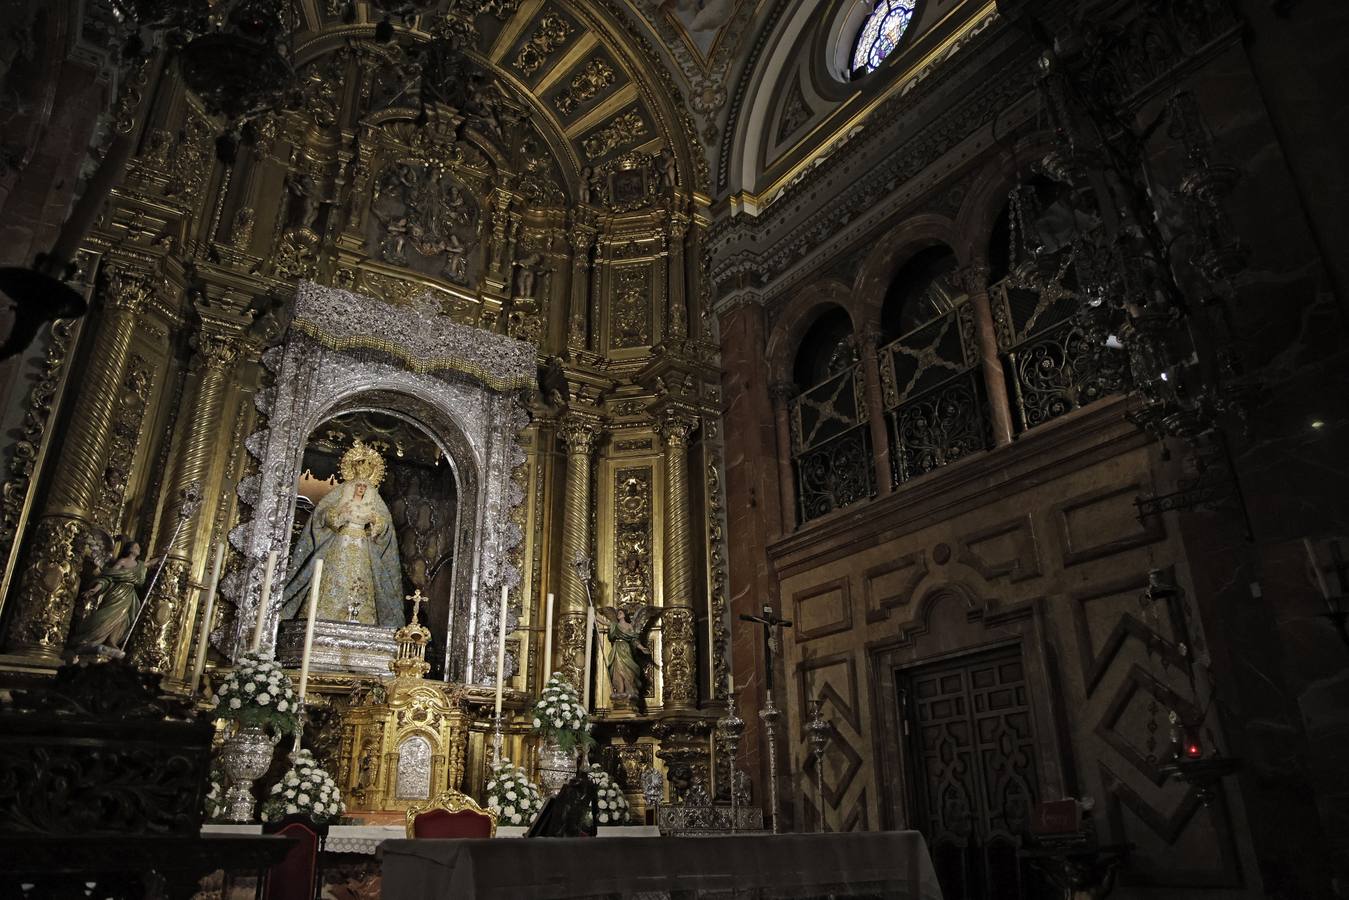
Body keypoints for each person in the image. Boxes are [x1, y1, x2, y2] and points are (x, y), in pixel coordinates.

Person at [281, 440, 403, 626]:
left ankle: (362, 620)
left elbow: (385, 525)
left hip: (363, 547)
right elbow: (322, 514)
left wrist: (375, 522)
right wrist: (338, 515)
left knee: (362, 582)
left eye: (364, 487)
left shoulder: (374, 501)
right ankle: (322, 618)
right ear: (352, 485)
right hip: (340, 544)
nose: (361, 489)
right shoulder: (340, 495)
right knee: (331, 578)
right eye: (358, 485)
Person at [68, 540, 157, 650]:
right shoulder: (123, 561)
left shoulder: (140, 565)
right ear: (129, 549)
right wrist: (95, 589)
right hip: (117, 592)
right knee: (108, 615)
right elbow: (108, 577)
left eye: (138, 547)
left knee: (124, 618)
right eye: (136, 547)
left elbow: (151, 563)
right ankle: (89, 638)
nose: (138, 549)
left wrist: (166, 554)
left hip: (130, 594)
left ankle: (112, 641)